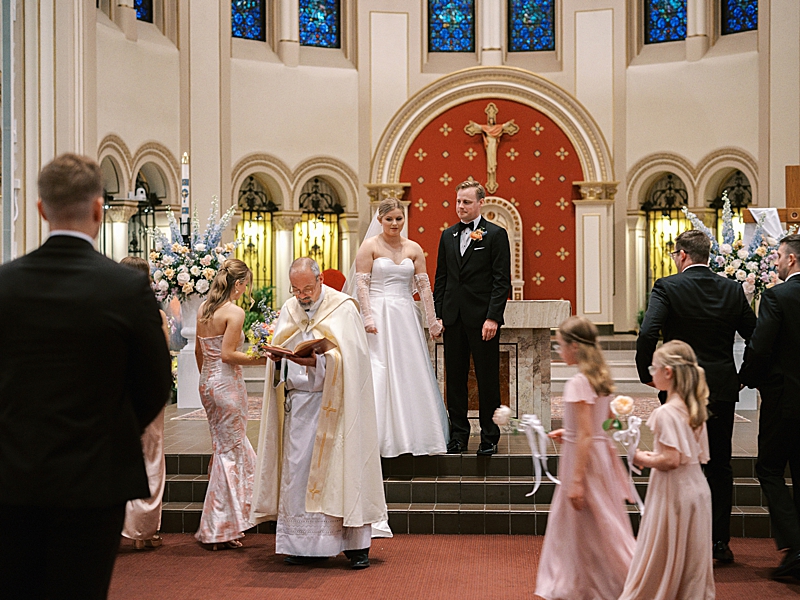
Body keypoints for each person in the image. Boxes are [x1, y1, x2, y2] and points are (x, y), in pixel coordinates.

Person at [0, 154, 172, 599]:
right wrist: (110, 429)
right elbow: (155, 382)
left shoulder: (6, 284)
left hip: (14, 471)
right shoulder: (125, 287)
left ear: (41, 209)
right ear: (99, 208)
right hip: (97, 476)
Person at [251, 258, 386, 569]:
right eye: (296, 290)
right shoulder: (290, 308)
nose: (302, 296)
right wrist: (281, 357)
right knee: (299, 475)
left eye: (307, 289)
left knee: (343, 470)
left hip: (337, 407)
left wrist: (320, 362)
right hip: (299, 407)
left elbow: (353, 360)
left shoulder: (343, 307)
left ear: (321, 279)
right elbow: (282, 348)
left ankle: (355, 545)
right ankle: (303, 545)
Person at [636, 228, 756, 563]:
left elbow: (648, 331)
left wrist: (648, 372)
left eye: (675, 255)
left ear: (683, 255)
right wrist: (743, 376)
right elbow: (757, 337)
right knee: (719, 464)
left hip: (679, 389)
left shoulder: (668, 287)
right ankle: (719, 542)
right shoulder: (732, 289)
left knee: (679, 461)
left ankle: (684, 539)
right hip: (718, 387)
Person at [534, 316, 635, 600]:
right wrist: (572, 431)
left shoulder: (578, 383)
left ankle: (629, 578)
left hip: (584, 462)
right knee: (599, 523)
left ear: (575, 347)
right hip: (600, 456)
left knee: (595, 525)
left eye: (561, 345)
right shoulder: (599, 378)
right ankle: (593, 584)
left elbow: (590, 434)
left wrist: (576, 481)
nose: (559, 351)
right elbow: (609, 426)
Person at [353, 196, 449, 457]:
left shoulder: (414, 248)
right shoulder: (369, 247)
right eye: (389, 219)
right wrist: (367, 317)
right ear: (379, 220)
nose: (394, 223)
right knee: (381, 370)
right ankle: (378, 437)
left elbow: (425, 288)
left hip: (405, 313)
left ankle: (417, 436)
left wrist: (432, 321)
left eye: (398, 218)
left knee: (410, 370)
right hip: (379, 314)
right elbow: (362, 285)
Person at [620, 340, 714, 600]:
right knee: (689, 560)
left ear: (668, 373)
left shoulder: (666, 412)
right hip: (696, 488)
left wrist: (639, 456)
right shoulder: (693, 406)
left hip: (675, 491)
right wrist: (652, 456)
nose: (652, 374)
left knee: (665, 552)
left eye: (654, 368)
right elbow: (687, 455)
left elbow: (671, 460)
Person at [433, 180, 511, 456]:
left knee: (487, 379)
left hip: (482, 321)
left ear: (480, 203)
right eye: (458, 202)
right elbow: (441, 279)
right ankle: (458, 436)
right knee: (455, 380)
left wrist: (493, 317)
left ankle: (489, 437)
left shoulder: (495, 234)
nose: (461, 207)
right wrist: (438, 315)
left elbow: (502, 281)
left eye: (466, 202)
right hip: (453, 319)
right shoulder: (448, 236)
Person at [194, 259, 267, 550]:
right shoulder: (234, 312)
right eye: (245, 285)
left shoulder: (203, 308)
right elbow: (228, 354)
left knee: (225, 450)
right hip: (227, 385)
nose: (245, 290)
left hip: (208, 384)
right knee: (230, 453)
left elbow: (203, 353)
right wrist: (262, 357)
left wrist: (205, 382)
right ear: (238, 285)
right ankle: (216, 528)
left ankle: (227, 524)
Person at [739, 233, 800, 579]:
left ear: (791, 260)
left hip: (783, 400)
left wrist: (744, 379)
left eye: (778, 256)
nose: (775, 262)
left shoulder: (778, 296)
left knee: (769, 469)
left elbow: (760, 347)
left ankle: (795, 546)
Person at [119, 256, 171, 549]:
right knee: (151, 455)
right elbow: (161, 357)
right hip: (146, 393)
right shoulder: (153, 314)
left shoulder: (108, 309)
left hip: (117, 393)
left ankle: (121, 526)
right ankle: (143, 532)